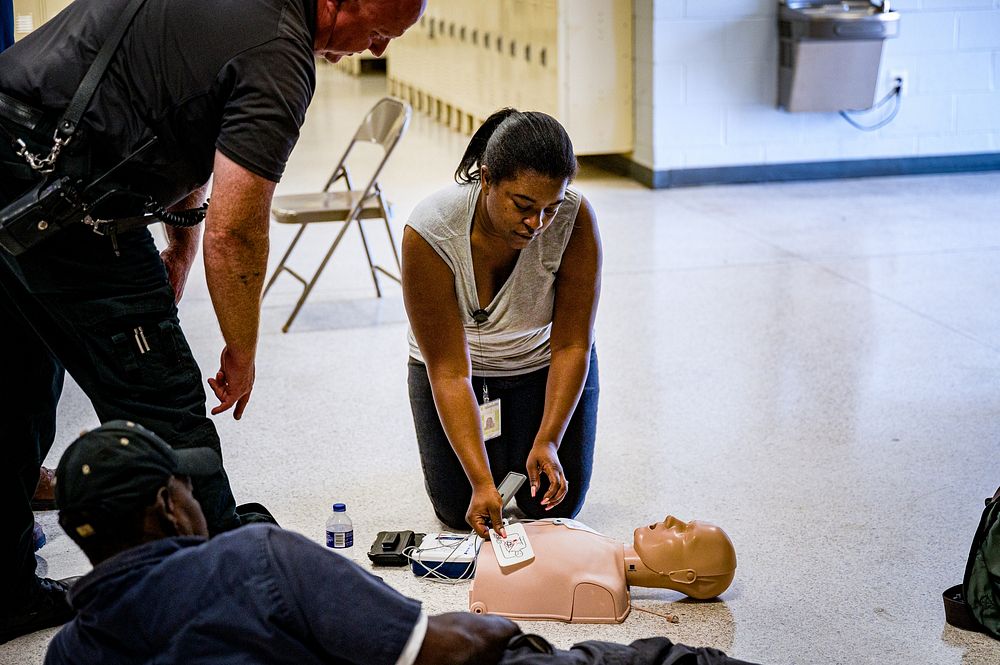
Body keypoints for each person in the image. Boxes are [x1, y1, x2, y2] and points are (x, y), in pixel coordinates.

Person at [0, 0, 426, 643]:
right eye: (379, 31)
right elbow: (239, 230)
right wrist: (242, 347)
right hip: (65, 196)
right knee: (165, 401)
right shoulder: (280, 53)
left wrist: (179, 240)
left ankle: (5, 594)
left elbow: (181, 113)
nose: (376, 51)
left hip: (12, 152)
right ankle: (237, 613)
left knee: (18, 380)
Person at [48, 421, 757, 665]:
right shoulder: (257, 558)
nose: (195, 500)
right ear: (164, 514)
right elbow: (442, 649)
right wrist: (509, 627)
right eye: (182, 490)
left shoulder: (68, 651)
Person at [402, 109, 602, 539]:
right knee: (459, 509)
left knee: (552, 502)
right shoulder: (431, 230)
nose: (537, 224)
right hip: (460, 373)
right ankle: (493, 459)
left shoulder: (575, 218)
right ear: (487, 178)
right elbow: (449, 371)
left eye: (550, 207)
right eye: (523, 206)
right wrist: (479, 481)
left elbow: (572, 345)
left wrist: (548, 439)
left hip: (540, 363)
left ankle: (524, 441)